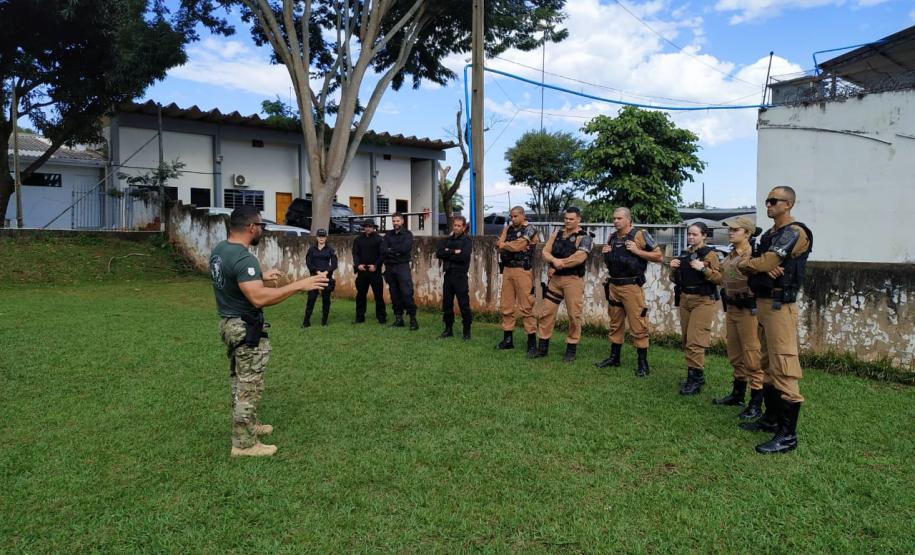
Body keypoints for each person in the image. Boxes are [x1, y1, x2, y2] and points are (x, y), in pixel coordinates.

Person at [209, 205, 328, 457]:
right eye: (260, 225)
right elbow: (258, 298)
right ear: (251, 227)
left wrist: (260, 275)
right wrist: (300, 285)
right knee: (249, 385)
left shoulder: (221, 250)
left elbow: (234, 280)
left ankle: (249, 425)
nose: (261, 229)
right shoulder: (244, 257)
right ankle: (244, 444)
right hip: (245, 328)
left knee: (238, 379)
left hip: (228, 323)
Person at [738, 186, 812, 455]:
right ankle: (770, 420)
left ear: (788, 204)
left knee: (784, 364)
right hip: (764, 303)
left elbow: (766, 261)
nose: (768, 205)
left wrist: (756, 263)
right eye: (767, 200)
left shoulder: (795, 232)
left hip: (781, 306)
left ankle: (788, 436)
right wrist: (754, 264)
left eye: (774, 201)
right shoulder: (770, 234)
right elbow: (748, 263)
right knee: (766, 362)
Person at [594, 207, 663, 376]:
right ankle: (614, 357)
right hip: (614, 285)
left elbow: (658, 256)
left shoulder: (640, 235)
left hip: (632, 287)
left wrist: (637, 251)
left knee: (638, 324)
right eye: (614, 218)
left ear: (628, 219)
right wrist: (606, 253)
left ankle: (643, 363)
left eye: (619, 218)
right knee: (615, 322)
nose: (615, 221)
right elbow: (612, 262)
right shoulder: (612, 237)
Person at [713, 215, 765, 420]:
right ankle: (738, 394)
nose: (730, 232)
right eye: (730, 230)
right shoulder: (731, 255)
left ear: (747, 233)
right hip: (732, 308)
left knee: (752, 355)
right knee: (735, 354)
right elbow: (723, 277)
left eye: (735, 230)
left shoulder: (753, 254)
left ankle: (756, 402)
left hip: (749, 310)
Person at [531, 206, 592, 363]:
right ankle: (542, 347)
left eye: (571, 219)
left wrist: (560, 263)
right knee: (546, 312)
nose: (568, 221)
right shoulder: (556, 234)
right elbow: (545, 251)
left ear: (579, 219)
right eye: (566, 218)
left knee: (574, 315)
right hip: (556, 280)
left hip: (573, 281)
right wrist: (553, 260)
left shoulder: (585, 236)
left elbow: (580, 257)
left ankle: (571, 349)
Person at [669, 222, 722, 395]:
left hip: (702, 300)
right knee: (687, 339)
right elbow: (676, 279)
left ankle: (695, 380)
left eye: (695, 234)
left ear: (704, 236)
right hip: (685, 299)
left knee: (695, 341)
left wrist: (704, 269)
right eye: (689, 234)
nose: (691, 237)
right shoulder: (685, 254)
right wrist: (673, 269)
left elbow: (718, 278)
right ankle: (693, 375)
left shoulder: (710, 255)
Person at [495, 206, 540, 355]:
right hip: (507, 269)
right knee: (506, 305)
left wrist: (505, 246)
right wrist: (506, 246)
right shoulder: (508, 229)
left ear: (522, 215)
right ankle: (508, 339)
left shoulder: (530, 229)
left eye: (515, 216)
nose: (512, 219)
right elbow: (498, 245)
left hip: (523, 270)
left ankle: (532, 343)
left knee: (526, 306)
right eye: (511, 216)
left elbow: (519, 245)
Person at [435, 215, 473, 340]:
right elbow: (439, 253)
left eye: (459, 226)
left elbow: (463, 257)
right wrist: (453, 251)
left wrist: (448, 252)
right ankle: (448, 329)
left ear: (463, 227)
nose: (456, 228)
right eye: (455, 225)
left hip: (460, 276)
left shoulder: (467, 241)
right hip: (448, 275)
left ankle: (466, 332)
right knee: (447, 304)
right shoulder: (447, 239)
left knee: (463, 304)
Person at [382, 212, 418, 330]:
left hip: (402, 267)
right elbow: (383, 249)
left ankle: (413, 319)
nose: (395, 223)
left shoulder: (407, 235)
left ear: (402, 221)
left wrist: (391, 250)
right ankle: (399, 319)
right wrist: (394, 252)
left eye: (397, 221)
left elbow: (405, 249)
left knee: (407, 293)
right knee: (394, 294)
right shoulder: (388, 235)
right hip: (390, 267)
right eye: (393, 221)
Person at [352, 218, 387, 324]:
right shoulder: (358, 240)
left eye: (370, 226)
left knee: (378, 295)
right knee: (361, 295)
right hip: (362, 271)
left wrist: (376, 266)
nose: (368, 228)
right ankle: (360, 317)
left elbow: (383, 254)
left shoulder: (379, 239)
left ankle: (381, 317)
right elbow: (355, 253)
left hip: (375, 272)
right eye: (366, 226)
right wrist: (358, 265)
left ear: (374, 228)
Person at [303, 229, 338, 327]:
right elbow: (309, 263)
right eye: (320, 236)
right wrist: (317, 272)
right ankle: (306, 321)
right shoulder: (311, 249)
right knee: (311, 299)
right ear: (317, 237)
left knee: (326, 300)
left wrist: (326, 272)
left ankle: (324, 322)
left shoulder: (330, 250)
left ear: (326, 238)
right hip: (314, 277)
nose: (321, 238)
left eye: (323, 236)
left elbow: (334, 264)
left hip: (326, 277)